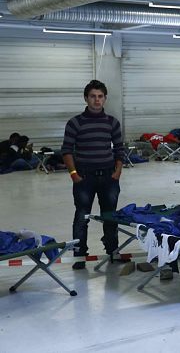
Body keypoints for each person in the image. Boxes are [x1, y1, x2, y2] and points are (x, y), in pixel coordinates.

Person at [62, 80, 125, 270]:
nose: (97, 100)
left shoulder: (112, 122)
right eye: (93, 96)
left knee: (110, 216)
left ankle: (113, 250)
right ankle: (79, 255)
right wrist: (74, 174)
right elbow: (66, 151)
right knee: (82, 216)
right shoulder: (75, 123)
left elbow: (120, 148)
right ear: (86, 98)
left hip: (109, 177)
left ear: (105, 99)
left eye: (100, 96)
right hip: (84, 177)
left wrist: (118, 171)